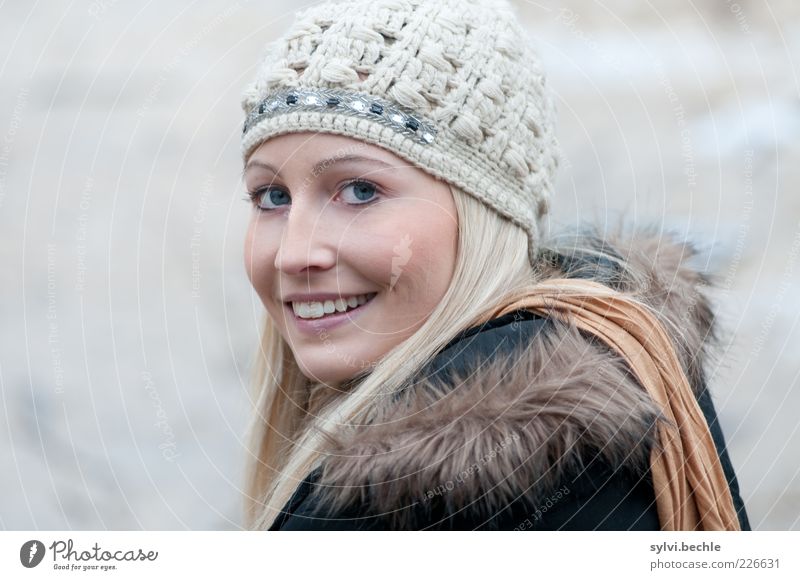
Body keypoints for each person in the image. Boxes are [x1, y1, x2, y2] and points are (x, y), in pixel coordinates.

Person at [238, 0, 750, 531]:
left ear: (483, 212)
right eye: (271, 196)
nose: (294, 254)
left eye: (361, 190)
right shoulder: (615, 393)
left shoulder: (441, 508)